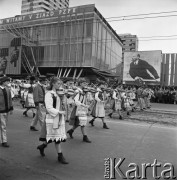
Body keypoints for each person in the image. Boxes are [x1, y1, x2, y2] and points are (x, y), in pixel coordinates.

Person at [37, 77, 68, 164]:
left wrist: (64, 102)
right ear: (53, 84)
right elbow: (49, 107)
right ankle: (60, 156)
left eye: (60, 84)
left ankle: (42, 146)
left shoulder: (60, 93)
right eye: (58, 83)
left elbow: (63, 103)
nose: (60, 85)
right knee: (57, 138)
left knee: (54, 137)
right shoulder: (49, 94)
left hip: (59, 118)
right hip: (52, 118)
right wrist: (59, 112)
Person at [67, 79, 91, 143]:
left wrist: (86, 106)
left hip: (82, 108)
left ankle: (71, 131)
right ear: (80, 84)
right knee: (82, 123)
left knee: (79, 123)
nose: (85, 84)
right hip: (78, 109)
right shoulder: (77, 91)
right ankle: (85, 137)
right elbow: (76, 101)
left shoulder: (83, 91)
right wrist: (83, 105)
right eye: (84, 83)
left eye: (85, 83)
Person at [0, 76, 13, 147]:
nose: (8, 82)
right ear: (3, 82)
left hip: (6, 110)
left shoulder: (8, 89)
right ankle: (4, 141)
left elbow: (10, 99)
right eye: (7, 81)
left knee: (3, 126)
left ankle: (3, 140)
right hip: (1, 110)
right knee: (3, 126)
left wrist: (10, 109)